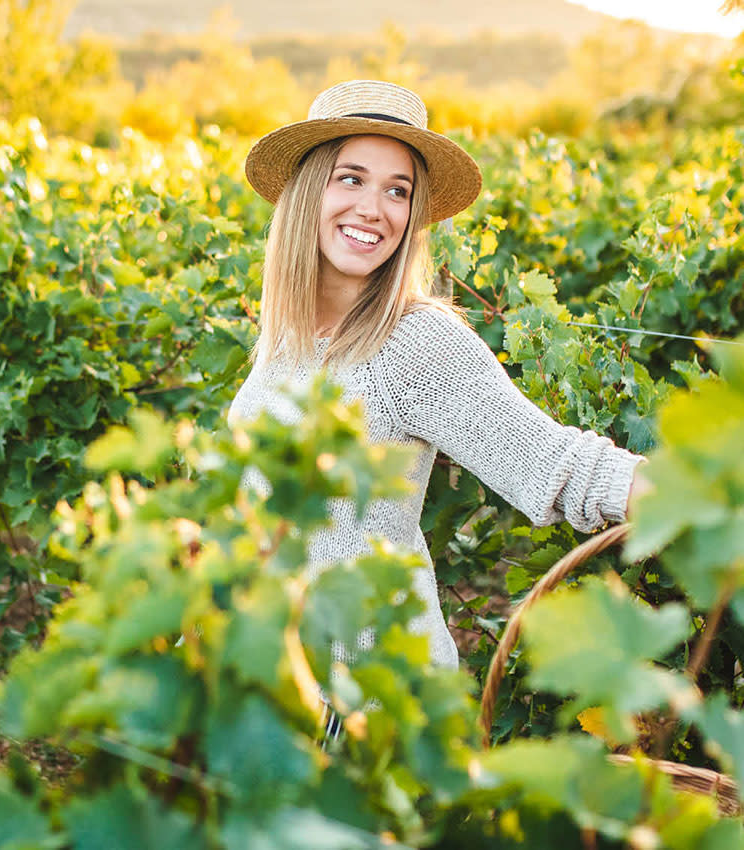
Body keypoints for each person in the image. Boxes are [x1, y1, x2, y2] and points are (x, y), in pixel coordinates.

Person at [227, 79, 651, 671]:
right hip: (277, 692)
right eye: (351, 178)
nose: (373, 208)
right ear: (306, 192)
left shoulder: (413, 342)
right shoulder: (287, 336)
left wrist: (702, 494)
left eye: (397, 191)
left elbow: (559, 464)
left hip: (379, 704)